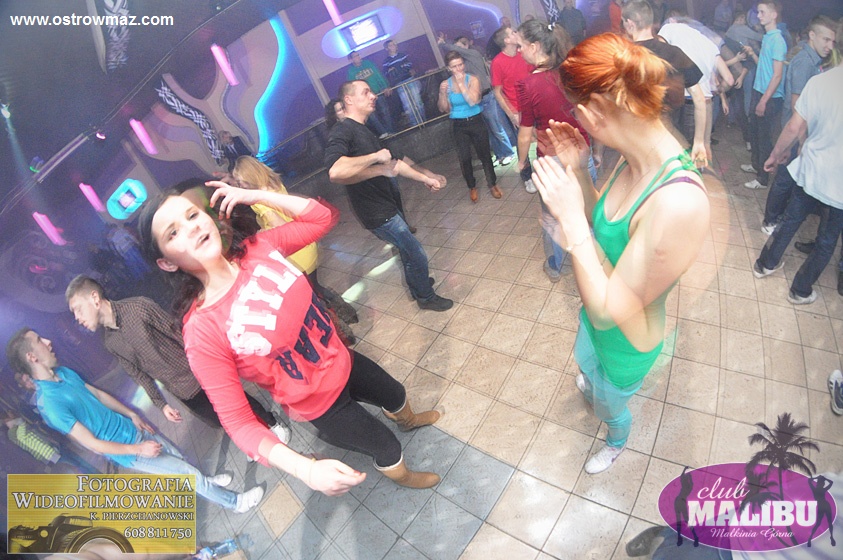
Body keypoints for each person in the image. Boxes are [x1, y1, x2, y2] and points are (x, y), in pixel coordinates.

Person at [137, 180, 442, 492]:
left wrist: (255, 195)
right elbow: (239, 422)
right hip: (319, 403)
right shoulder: (202, 331)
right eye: (173, 233)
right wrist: (305, 469)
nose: (191, 228)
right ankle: (405, 477)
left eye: (192, 215)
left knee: (395, 394)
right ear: (167, 262)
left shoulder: (256, 250)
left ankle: (408, 420)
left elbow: (321, 218)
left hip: (343, 360)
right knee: (386, 446)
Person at [531, 33, 709, 473]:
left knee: (610, 406)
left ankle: (615, 438)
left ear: (593, 109)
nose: (575, 118)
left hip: (627, 344)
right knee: (590, 374)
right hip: (596, 325)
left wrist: (571, 225)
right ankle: (593, 386)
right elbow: (605, 223)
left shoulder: (678, 201)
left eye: (574, 109)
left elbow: (610, 311)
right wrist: (578, 171)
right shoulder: (634, 158)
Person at [4, 328, 263, 512]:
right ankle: (235, 503)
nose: (48, 341)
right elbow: (93, 444)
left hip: (131, 428)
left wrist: (132, 414)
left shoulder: (63, 372)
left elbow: (98, 394)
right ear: (31, 357)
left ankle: (208, 482)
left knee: (179, 457)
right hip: (129, 450)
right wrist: (137, 449)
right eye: (39, 340)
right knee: (186, 473)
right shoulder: (50, 404)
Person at [64, 275, 292, 443]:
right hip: (181, 391)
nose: (77, 318)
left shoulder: (138, 308)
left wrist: (209, 360)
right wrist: (161, 404)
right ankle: (253, 439)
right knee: (221, 419)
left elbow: (178, 333)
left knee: (238, 402)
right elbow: (138, 375)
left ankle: (272, 423)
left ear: (94, 298)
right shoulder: (110, 342)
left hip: (198, 371)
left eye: (78, 309)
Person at [326, 80, 453, 311]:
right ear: (349, 100)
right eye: (366, 92)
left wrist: (425, 178)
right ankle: (426, 297)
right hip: (377, 212)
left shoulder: (364, 129)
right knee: (416, 253)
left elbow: (394, 164)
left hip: (389, 205)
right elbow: (335, 171)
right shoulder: (343, 130)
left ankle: (418, 286)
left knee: (407, 252)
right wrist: (375, 158)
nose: (373, 95)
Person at [232, 156, 360, 332]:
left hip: (296, 255)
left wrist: (263, 233)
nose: (239, 186)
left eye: (240, 181)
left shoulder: (259, 203)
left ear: (248, 177)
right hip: (306, 244)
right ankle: (348, 313)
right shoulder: (273, 184)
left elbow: (280, 227)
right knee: (317, 287)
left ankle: (341, 329)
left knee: (313, 296)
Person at [752, 65, 843, 305]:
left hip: (811, 170)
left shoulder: (821, 81)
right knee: (827, 241)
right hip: (839, 186)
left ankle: (765, 264)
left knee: (790, 220)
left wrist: (775, 154)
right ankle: (800, 290)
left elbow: (794, 126)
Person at [515, 20, 595, 282]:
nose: (519, 51)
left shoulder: (527, 85)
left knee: (553, 217)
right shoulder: (572, 70)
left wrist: (521, 162)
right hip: (581, 152)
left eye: (521, 46)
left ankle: (557, 265)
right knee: (588, 209)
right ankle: (596, 260)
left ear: (535, 46)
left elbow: (525, 133)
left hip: (552, 162)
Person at [761, 15, 836, 234]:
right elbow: (797, 104)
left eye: (832, 41)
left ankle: (775, 218)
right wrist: (802, 140)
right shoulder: (805, 62)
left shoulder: (815, 61)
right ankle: (770, 221)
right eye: (825, 39)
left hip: (801, 131)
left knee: (789, 178)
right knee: (785, 178)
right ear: (812, 35)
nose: (830, 46)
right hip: (796, 131)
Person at [622, 1, 707, 167]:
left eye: (623, 22)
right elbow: (699, 99)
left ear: (630, 23)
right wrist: (699, 142)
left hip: (634, 138)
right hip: (667, 134)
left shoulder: (623, 55)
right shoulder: (674, 53)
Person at [658, 18, 735, 165]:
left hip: (686, 102)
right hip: (706, 106)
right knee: (702, 151)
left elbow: (659, 56)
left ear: (672, 20)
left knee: (680, 152)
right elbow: (729, 79)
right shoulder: (709, 44)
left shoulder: (669, 28)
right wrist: (719, 90)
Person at [437, 32, 516, 165]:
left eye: (459, 47)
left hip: (487, 96)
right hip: (478, 99)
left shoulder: (473, 54)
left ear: (466, 46)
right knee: (489, 130)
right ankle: (499, 155)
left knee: (496, 127)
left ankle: (509, 152)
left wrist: (443, 44)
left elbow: (455, 49)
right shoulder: (465, 63)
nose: (458, 51)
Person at [438, 51, 501, 203]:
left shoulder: (472, 79)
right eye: (454, 66)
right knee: (465, 157)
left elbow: (473, 101)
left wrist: (461, 84)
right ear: (449, 68)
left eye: (460, 65)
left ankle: (492, 184)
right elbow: (443, 109)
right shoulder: (446, 84)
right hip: (459, 124)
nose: (458, 69)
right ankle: (472, 186)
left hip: (476, 121)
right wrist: (442, 93)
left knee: (485, 154)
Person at [740, 1, 786, 189]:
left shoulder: (778, 40)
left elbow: (777, 75)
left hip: (770, 97)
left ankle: (762, 179)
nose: (758, 16)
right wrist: (752, 54)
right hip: (760, 91)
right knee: (755, 132)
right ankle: (756, 165)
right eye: (758, 12)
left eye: (762, 12)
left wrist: (764, 101)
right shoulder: (768, 37)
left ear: (773, 15)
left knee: (764, 137)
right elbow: (765, 67)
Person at [490, 25, 535, 191]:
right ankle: (527, 177)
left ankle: (549, 170)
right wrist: (512, 114)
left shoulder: (523, 53)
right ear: (507, 40)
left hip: (535, 101)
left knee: (543, 137)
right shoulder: (497, 62)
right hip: (518, 108)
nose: (516, 33)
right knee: (522, 143)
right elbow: (498, 92)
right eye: (513, 33)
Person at [3, 411, 99, 474]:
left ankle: (96, 475)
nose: (13, 416)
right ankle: (95, 477)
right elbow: (21, 428)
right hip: (49, 453)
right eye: (11, 417)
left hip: (52, 449)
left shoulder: (18, 430)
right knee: (75, 463)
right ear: (6, 421)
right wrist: (16, 421)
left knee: (76, 462)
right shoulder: (14, 433)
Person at [346, 51, 394, 137]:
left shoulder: (368, 63)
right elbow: (352, 87)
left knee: (385, 111)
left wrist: (385, 86)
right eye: (355, 56)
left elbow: (378, 75)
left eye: (358, 55)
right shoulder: (351, 71)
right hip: (365, 97)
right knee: (372, 115)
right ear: (351, 60)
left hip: (378, 91)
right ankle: (383, 132)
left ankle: (391, 131)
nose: (358, 57)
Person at [382, 40, 427, 127]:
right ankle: (416, 125)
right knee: (408, 106)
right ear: (386, 48)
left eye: (394, 44)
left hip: (409, 80)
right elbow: (386, 73)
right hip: (399, 84)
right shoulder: (386, 61)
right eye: (391, 45)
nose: (394, 46)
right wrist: (400, 68)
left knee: (418, 102)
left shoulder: (403, 55)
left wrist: (396, 69)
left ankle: (424, 121)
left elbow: (409, 65)